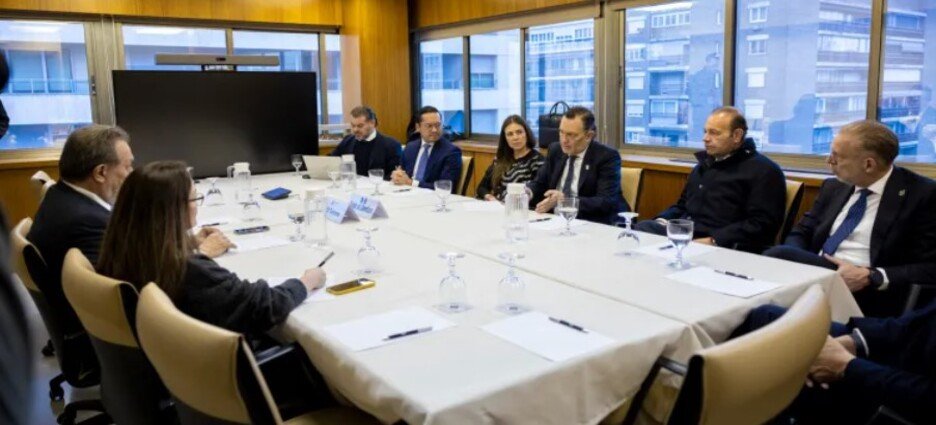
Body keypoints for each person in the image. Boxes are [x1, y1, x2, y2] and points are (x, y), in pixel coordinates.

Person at [97, 161, 323, 341]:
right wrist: (305, 282)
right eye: (195, 197)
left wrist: (190, 243)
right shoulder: (190, 269)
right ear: (174, 208)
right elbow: (262, 306)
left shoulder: (124, 245)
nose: (197, 205)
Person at [764, 120, 936, 317]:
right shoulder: (834, 187)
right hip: (815, 277)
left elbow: (930, 267)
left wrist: (872, 276)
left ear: (868, 164)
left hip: (866, 290)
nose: (829, 161)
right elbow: (802, 232)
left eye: (836, 157)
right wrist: (795, 265)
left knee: (775, 258)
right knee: (762, 301)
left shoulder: (922, 195)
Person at [730, 302, 936, 424]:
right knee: (770, 319)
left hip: (899, 395)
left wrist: (846, 366)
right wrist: (855, 342)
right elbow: (916, 321)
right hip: (900, 354)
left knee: (786, 356)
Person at [634, 107, 786, 249]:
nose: (705, 138)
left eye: (714, 133)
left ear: (737, 135)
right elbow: (683, 206)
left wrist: (715, 240)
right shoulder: (704, 166)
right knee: (644, 229)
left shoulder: (764, 171)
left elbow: (761, 224)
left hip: (726, 244)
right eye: (705, 132)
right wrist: (662, 221)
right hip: (688, 234)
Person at [527, 106, 628, 224]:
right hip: (556, 221)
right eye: (561, 132)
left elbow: (605, 201)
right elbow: (540, 183)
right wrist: (527, 192)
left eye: (571, 135)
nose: (564, 140)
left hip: (593, 221)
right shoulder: (555, 150)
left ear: (588, 136)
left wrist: (564, 200)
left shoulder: (606, 156)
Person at [391, 106, 463, 192]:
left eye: (438, 125)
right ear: (418, 127)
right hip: (407, 193)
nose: (434, 130)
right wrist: (397, 176)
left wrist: (411, 182)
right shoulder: (410, 147)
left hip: (432, 197)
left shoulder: (451, 152)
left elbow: (445, 187)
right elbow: (401, 172)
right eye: (429, 126)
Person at [476, 115, 545, 202]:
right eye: (510, 134)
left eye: (519, 132)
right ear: (505, 138)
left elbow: (538, 193)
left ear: (526, 134)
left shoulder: (538, 160)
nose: (515, 137)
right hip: (497, 206)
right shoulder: (500, 159)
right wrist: (489, 197)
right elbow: (481, 187)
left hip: (523, 207)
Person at [329, 105, 402, 179]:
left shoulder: (391, 145)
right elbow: (332, 160)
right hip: (351, 184)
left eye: (360, 126)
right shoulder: (347, 141)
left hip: (377, 185)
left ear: (372, 123)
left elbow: (394, 175)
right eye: (353, 126)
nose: (355, 130)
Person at [688, 53, 721, 140]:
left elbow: (718, 91)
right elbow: (693, 96)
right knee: (700, 135)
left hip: (714, 111)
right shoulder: (697, 76)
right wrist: (706, 99)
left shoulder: (717, 75)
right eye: (713, 63)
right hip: (701, 111)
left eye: (717, 64)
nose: (716, 65)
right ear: (707, 62)